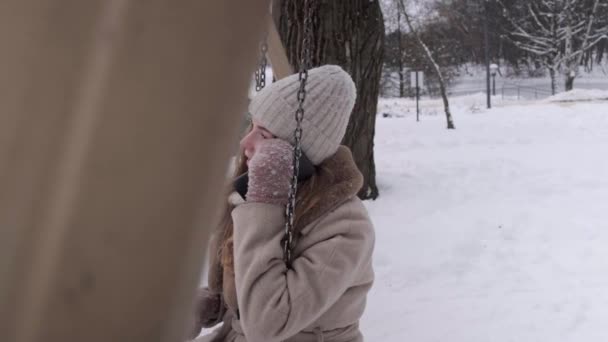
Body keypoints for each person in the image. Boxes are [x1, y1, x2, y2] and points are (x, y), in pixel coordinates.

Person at [191, 65, 375, 342]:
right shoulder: (258, 191)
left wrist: (263, 207)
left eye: (264, 135)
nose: (245, 142)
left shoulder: (345, 228)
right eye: (251, 126)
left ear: (298, 154)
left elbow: (267, 325)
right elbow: (250, 294)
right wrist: (212, 305)